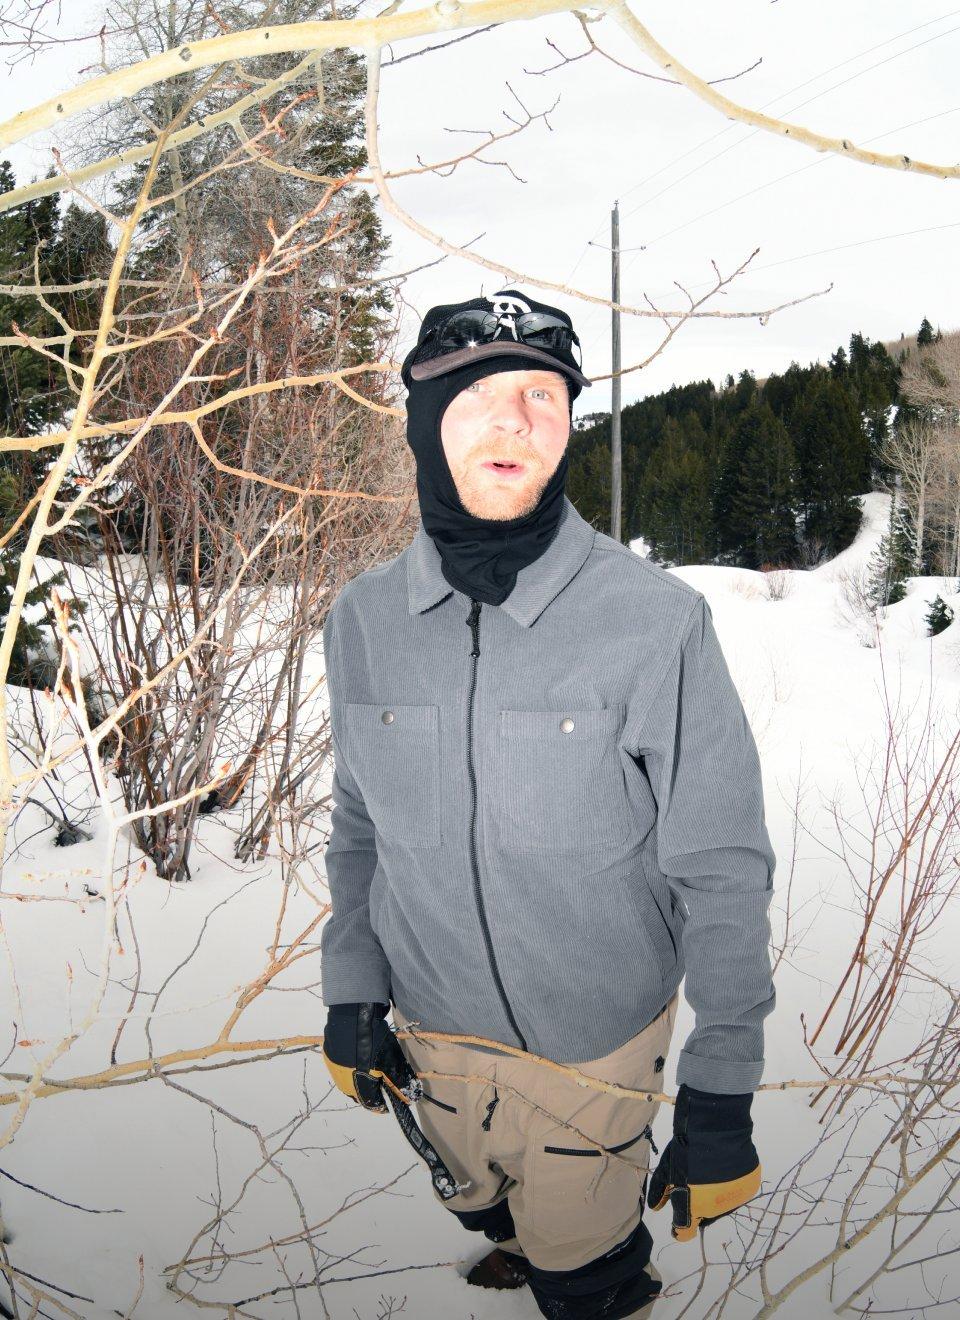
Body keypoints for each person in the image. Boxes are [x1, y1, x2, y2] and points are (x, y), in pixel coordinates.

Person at [319, 288, 776, 1318]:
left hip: (592, 1048)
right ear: (424, 424)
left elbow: (723, 866)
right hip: (431, 1031)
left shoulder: (654, 621)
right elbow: (359, 827)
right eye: (481, 394)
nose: (517, 419)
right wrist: (353, 987)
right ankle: (512, 1240)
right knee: (481, 1203)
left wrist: (721, 1083)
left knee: (583, 1272)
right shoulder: (364, 620)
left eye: (543, 395)